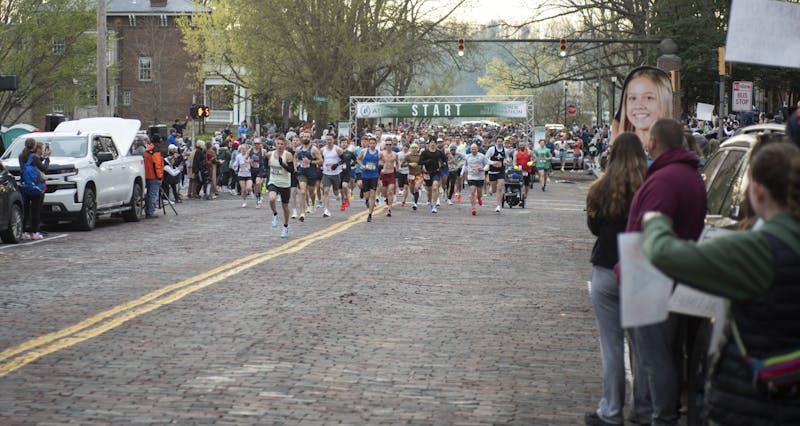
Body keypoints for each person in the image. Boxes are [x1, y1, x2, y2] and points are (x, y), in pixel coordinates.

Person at [642, 141, 800, 425]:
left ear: (757, 191)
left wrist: (655, 222)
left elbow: (665, 254)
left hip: (755, 402)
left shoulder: (758, 250)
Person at [625, 118, 707, 426]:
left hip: (652, 276)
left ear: (654, 143)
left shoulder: (665, 180)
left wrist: (625, 269)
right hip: (669, 275)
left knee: (654, 358)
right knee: (666, 355)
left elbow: (649, 231)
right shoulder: (688, 176)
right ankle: (662, 413)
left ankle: (662, 416)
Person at [584, 133, 648, 426]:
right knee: (642, 345)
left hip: (607, 264)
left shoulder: (600, 187)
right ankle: (643, 408)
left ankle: (611, 410)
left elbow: (594, 226)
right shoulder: (648, 187)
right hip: (639, 265)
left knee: (611, 345)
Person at [612, 66, 674, 150]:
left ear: (665, 101)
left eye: (648, 98)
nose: (639, 105)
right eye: (633, 98)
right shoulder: (617, 154)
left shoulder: (678, 154)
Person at [18, 138, 49, 240]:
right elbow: (43, 168)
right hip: (36, 187)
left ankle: (23, 232)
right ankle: (35, 232)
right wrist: (47, 159)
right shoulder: (34, 157)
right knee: (36, 210)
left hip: (25, 186)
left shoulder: (21, 156)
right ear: (34, 146)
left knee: (25, 211)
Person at [266, 136, 293, 238]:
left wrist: (283, 164)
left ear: (285, 145)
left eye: (282, 144)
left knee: (285, 206)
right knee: (271, 199)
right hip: (273, 181)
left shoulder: (288, 155)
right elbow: (265, 164)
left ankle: (285, 226)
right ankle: (275, 214)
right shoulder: (270, 154)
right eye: (278, 144)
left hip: (285, 183)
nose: (280, 146)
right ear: (275, 145)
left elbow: (291, 170)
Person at [295, 132, 322, 220]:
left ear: (310, 138)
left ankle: (312, 204)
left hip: (311, 173)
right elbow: (295, 157)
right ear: (302, 138)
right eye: (304, 136)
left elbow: (321, 161)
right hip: (302, 172)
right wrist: (295, 166)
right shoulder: (298, 149)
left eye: (307, 137)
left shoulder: (314, 149)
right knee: (302, 191)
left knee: (311, 192)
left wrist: (311, 162)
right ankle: (302, 213)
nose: (306, 138)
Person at [460, 142, 489, 216]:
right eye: (472, 149)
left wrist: (482, 169)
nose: (473, 150)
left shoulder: (482, 156)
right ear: (470, 150)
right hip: (471, 176)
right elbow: (465, 165)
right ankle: (473, 208)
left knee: (479, 193)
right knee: (472, 192)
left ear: (477, 149)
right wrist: (462, 173)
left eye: (475, 149)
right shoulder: (468, 157)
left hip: (480, 177)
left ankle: (479, 198)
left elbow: (487, 164)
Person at [320, 133, 343, 218]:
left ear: (334, 140)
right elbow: (320, 159)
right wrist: (320, 165)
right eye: (327, 140)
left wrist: (336, 165)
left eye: (330, 139)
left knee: (335, 191)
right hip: (326, 173)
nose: (328, 141)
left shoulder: (338, 149)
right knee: (326, 190)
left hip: (336, 173)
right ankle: (326, 210)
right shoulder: (322, 150)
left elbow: (344, 159)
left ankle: (338, 195)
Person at [358, 136, 380, 222]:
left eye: (373, 143)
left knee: (373, 194)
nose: (372, 145)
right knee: (367, 195)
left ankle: (370, 214)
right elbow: (358, 159)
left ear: (376, 144)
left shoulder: (379, 153)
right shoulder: (364, 151)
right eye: (370, 143)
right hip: (365, 175)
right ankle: (366, 199)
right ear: (368, 144)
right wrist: (362, 165)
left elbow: (382, 161)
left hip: (374, 175)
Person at [484, 136, 508, 213]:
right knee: (494, 190)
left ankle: (498, 205)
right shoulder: (492, 149)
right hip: (492, 171)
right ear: (495, 142)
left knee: (500, 188)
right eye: (498, 141)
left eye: (501, 141)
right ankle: (491, 189)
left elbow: (507, 158)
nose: (500, 143)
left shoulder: (505, 150)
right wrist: (493, 163)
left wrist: (505, 162)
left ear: (503, 142)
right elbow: (485, 158)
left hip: (501, 171)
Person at [143, 136, 164, 218]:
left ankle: (148, 211)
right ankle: (150, 212)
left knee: (148, 195)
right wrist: (159, 178)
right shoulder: (156, 151)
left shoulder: (148, 150)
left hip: (147, 174)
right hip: (154, 176)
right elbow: (157, 165)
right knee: (153, 195)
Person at [379, 139, 398, 217]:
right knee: (383, 192)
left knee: (390, 191)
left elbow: (397, 163)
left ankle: (389, 209)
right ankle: (386, 199)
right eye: (387, 144)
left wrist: (397, 170)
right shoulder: (381, 153)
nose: (388, 146)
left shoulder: (395, 154)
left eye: (390, 145)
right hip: (383, 174)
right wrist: (381, 169)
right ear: (385, 145)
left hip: (391, 174)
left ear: (392, 145)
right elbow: (378, 162)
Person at [401, 142, 422, 210]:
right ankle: (415, 195)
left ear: (417, 149)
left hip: (419, 174)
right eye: (412, 148)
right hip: (411, 175)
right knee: (412, 190)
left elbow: (423, 163)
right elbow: (402, 164)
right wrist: (410, 164)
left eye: (415, 148)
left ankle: (415, 204)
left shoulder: (420, 156)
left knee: (416, 187)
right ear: (410, 149)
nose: (414, 149)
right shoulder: (408, 156)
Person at [248, 138, 266, 208]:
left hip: (260, 169)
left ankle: (259, 200)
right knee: (255, 186)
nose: (256, 145)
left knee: (258, 183)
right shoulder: (250, 150)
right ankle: (258, 197)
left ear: (260, 144)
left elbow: (268, 157)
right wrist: (248, 160)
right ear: (253, 144)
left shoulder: (263, 151)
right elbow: (246, 158)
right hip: (252, 170)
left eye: (258, 144)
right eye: (255, 144)